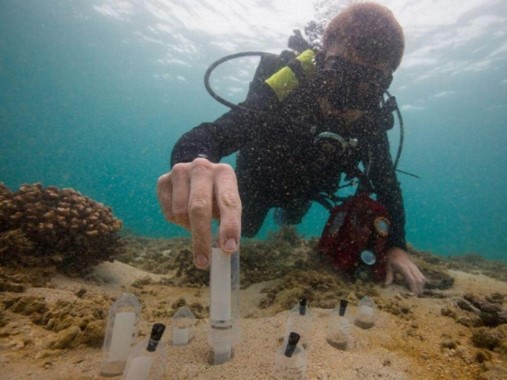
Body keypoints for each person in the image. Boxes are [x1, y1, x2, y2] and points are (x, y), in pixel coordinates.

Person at [157, 2, 426, 294]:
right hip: (259, 179)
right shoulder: (286, 90)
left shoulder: (368, 121)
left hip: (307, 189)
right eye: (341, 80)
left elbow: (387, 184)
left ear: (382, 88)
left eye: (367, 90)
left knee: (293, 217)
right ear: (322, 61)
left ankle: (287, 215)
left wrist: (397, 247)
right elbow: (213, 134)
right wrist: (195, 162)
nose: (344, 105)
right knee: (245, 227)